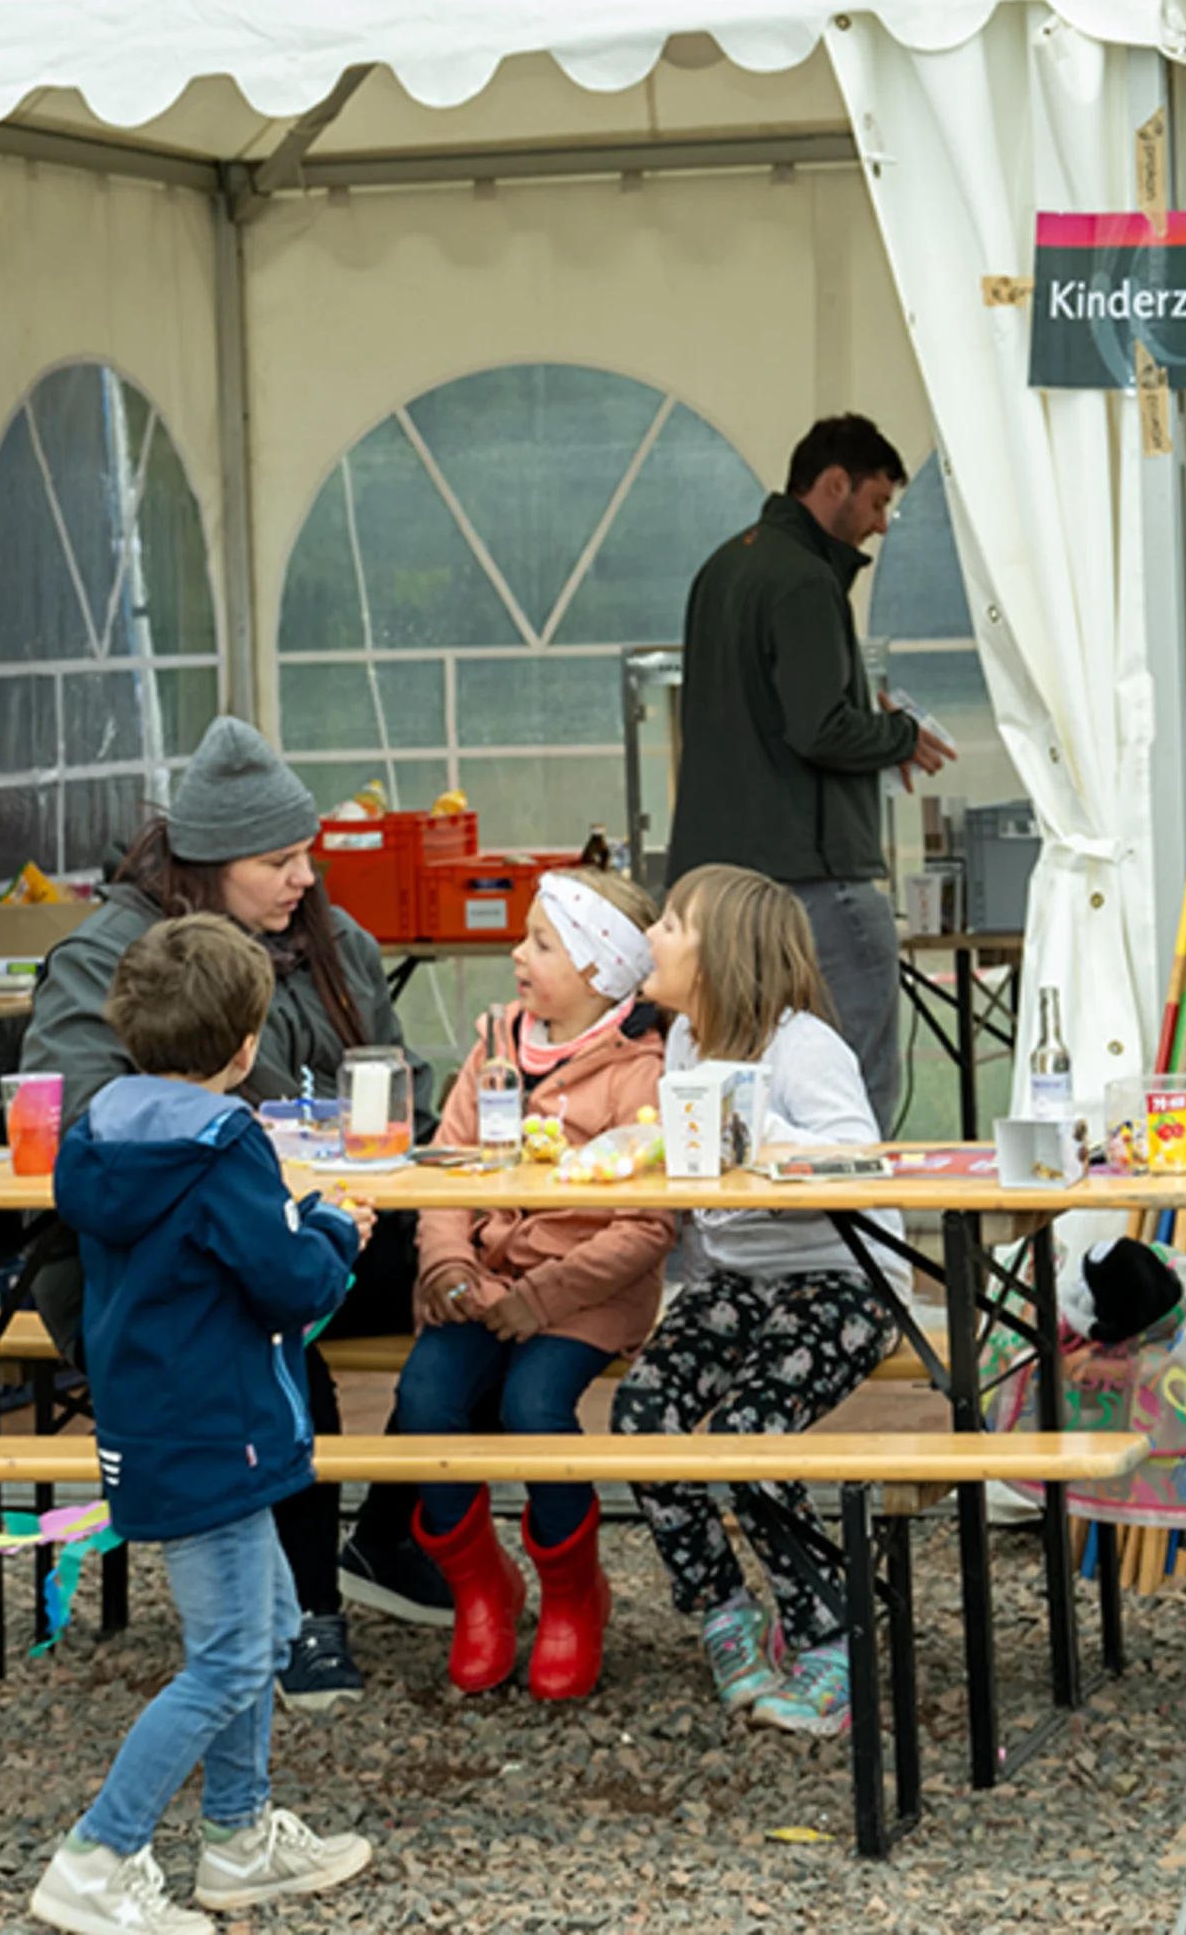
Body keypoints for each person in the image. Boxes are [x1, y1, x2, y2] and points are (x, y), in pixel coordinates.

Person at [20, 714, 440, 1712]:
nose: (305, 879)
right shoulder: (109, 957)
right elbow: (95, 1129)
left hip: (300, 1223)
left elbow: (395, 1081)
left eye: (309, 857)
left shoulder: (336, 943)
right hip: (153, 1260)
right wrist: (270, 1144)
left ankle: (391, 1531)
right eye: (280, 861)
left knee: (475, 1280)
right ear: (208, 865)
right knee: (281, 1339)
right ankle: (302, 1616)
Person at [30, 915, 374, 1935]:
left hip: (165, 1427)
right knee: (230, 1655)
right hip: (223, 1434)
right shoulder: (226, 1149)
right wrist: (332, 1226)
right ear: (244, 1046)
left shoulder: (98, 1136)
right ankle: (98, 1853)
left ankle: (237, 1835)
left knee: (261, 1633)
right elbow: (290, 1286)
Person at [612, 863, 911, 1739]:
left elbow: (858, 1160)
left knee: (747, 1434)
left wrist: (757, 1140)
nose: (652, 936)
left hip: (845, 1278)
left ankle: (832, 1635)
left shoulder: (803, 1046)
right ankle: (723, 1611)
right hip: (737, 1281)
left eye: (670, 923)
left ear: (723, 954)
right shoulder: (681, 1044)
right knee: (642, 1411)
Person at [399, 866, 676, 1701]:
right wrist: (449, 1268)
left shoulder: (641, 1073)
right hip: (482, 1284)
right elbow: (445, 1172)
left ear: (600, 971)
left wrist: (539, 1299)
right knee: (424, 1403)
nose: (519, 954)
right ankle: (481, 1589)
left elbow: (645, 1231)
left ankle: (572, 1595)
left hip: (585, 1297)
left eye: (543, 944)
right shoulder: (495, 1041)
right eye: (524, 937)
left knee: (534, 1408)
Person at [668, 412, 947, 1131]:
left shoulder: (721, 568)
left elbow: (762, 708)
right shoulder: (806, 583)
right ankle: (861, 1236)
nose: (881, 526)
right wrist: (898, 733)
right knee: (850, 1081)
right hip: (813, 883)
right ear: (833, 484)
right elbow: (818, 728)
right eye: (877, 502)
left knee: (735, 1082)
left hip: (720, 888)